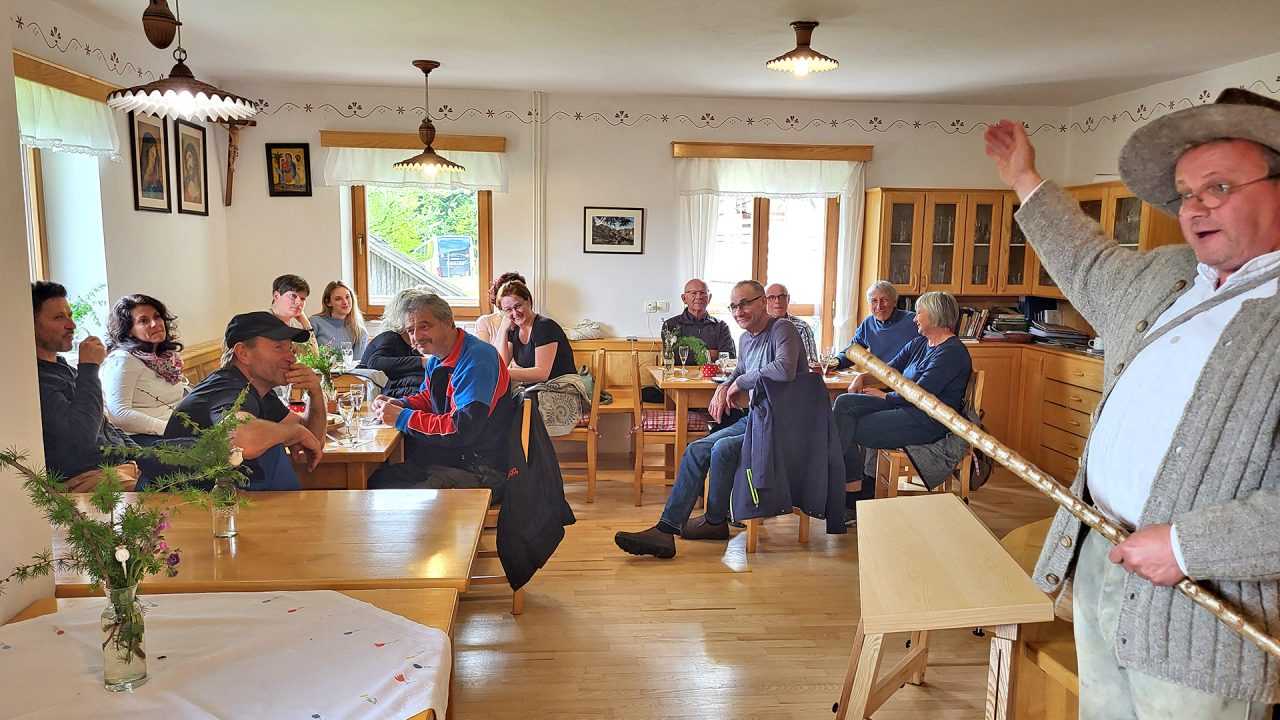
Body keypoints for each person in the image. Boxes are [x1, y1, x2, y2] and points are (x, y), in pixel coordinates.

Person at [983, 89, 1280, 719]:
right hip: (1101, 558)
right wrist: (1025, 179)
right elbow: (1084, 259)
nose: (1194, 207)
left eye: (1219, 187)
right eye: (1186, 193)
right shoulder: (1166, 277)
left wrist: (1188, 547)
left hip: (1204, 611)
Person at [614, 280, 807, 559]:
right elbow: (738, 370)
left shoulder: (782, 329)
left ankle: (713, 520)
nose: (738, 311)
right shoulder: (746, 339)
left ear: (763, 302)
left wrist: (739, 382)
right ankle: (674, 528)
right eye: (734, 306)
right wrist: (725, 385)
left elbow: (784, 369)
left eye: (745, 303)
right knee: (696, 449)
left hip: (782, 426)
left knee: (722, 448)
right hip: (756, 419)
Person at [833, 291, 972, 515]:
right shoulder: (920, 343)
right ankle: (851, 487)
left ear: (935, 315)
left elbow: (921, 393)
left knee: (848, 426)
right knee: (844, 403)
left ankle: (849, 489)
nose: (915, 318)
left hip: (927, 421)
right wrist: (863, 378)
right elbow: (888, 370)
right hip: (904, 407)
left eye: (919, 313)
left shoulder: (952, 352)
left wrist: (885, 397)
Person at [367, 293, 516, 495]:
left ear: (448, 322)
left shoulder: (477, 359)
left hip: (480, 468)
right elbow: (429, 398)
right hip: (451, 458)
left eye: (424, 326)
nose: (416, 336)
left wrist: (402, 417)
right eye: (410, 330)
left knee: (379, 491)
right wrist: (401, 404)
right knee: (374, 478)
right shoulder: (438, 357)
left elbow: (461, 429)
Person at [165, 312, 325, 491]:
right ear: (243, 353)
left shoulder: (260, 390)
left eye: (290, 349)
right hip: (182, 502)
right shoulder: (225, 388)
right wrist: (294, 432)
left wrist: (316, 394)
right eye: (279, 347)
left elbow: (313, 441)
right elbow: (240, 439)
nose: (291, 358)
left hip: (226, 499)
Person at [33, 282, 142, 491]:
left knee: (193, 467)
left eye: (70, 315)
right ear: (31, 324)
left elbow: (105, 424)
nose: (72, 325)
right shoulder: (36, 380)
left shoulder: (65, 369)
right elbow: (81, 437)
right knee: (177, 498)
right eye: (59, 317)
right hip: (87, 477)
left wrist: (146, 456)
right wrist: (90, 367)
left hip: (121, 466)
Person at [102, 293, 189, 443]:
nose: (155, 324)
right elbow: (118, 414)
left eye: (157, 317)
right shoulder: (123, 360)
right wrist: (168, 429)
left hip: (174, 429)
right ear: (129, 330)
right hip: (141, 438)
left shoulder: (166, 359)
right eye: (143, 321)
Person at [492, 280, 577, 383]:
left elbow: (541, 374)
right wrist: (503, 330)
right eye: (508, 310)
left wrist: (501, 373)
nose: (514, 313)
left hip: (562, 386)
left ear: (528, 301)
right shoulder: (513, 329)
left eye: (517, 306)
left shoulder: (544, 326)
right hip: (537, 387)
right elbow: (502, 364)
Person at [357, 287, 427, 398]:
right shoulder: (390, 337)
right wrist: (421, 361)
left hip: (393, 389)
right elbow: (375, 363)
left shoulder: (410, 342)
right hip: (377, 391)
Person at [836, 280, 919, 368]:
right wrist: (835, 362)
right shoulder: (868, 323)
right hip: (879, 375)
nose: (879, 306)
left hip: (908, 375)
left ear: (894, 302)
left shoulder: (914, 320)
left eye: (884, 300)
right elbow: (852, 351)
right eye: (874, 301)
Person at [662, 278, 735, 363]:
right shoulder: (670, 325)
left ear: (709, 298)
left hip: (712, 372)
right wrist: (710, 354)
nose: (699, 297)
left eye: (703, 293)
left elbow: (729, 357)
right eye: (694, 293)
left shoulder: (721, 326)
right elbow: (672, 357)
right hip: (679, 372)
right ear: (684, 298)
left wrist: (688, 354)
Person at [309, 280, 369, 360]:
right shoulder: (315, 322)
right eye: (338, 299)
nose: (345, 302)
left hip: (348, 369)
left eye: (347, 297)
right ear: (328, 302)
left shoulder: (360, 332)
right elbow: (306, 355)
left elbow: (356, 364)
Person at [764, 283, 818, 363]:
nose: (777, 301)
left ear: (788, 299)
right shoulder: (758, 328)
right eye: (771, 297)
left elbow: (811, 363)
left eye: (782, 297)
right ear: (764, 301)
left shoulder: (802, 328)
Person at [474, 271, 526, 343]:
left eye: (518, 305)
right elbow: (484, 350)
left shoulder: (528, 322)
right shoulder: (485, 322)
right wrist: (503, 328)